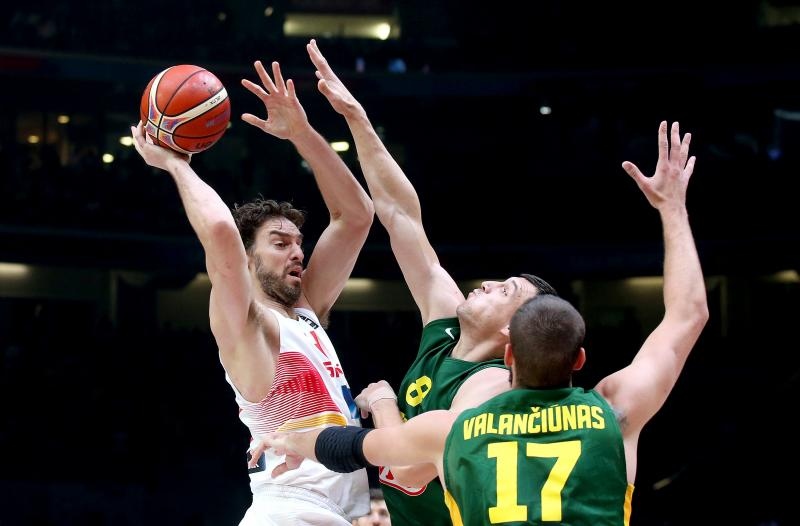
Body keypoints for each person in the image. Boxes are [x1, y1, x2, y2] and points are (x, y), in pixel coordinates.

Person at [248, 120, 709, 525]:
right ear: (579, 358)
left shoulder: (469, 419)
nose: (488, 284)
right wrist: (673, 209)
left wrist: (299, 436)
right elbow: (688, 315)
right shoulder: (612, 412)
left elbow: (360, 450)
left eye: (506, 290)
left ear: (510, 352)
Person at [304, 38, 558, 526]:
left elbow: (406, 466)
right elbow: (401, 215)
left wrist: (381, 402)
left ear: (513, 332)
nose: (485, 284)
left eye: (505, 291)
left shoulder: (495, 387)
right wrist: (357, 117)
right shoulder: (445, 327)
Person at [131, 58, 374, 525]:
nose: (298, 253)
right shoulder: (247, 324)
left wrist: (301, 132)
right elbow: (221, 230)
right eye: (280, 244)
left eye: (299, 243)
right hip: (288, 512)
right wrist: (174, 164)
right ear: (247, 261)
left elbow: (356, 216)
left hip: (334, 513)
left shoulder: (307, 310)